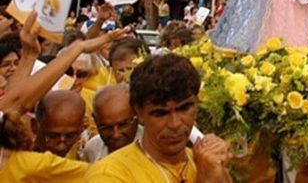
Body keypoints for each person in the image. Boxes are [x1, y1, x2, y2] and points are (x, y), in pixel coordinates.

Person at [86, 53, 235, 182]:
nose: (175, 124)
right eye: (160, 113)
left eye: (184, 108)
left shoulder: (206, 162)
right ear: (138, 113)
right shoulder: (109, 174)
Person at [82, 84, 142, 163]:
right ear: (95, 120)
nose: (116, 135)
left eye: (123, 125)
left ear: (137, 114)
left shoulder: (155, 148)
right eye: (106, 128)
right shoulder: (92, 149)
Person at [33, 90, 86, 159]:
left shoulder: (86, 154)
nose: (61, 147)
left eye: (70, 136)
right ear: (34, 126)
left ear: (81, 128)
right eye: (53, 136)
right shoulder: (20, 162)